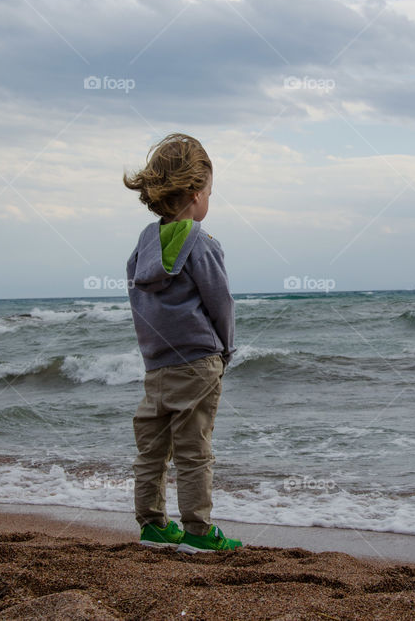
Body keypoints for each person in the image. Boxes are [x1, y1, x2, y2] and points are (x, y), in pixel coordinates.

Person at [124, 133, 241, 553]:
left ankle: (153, 525)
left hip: (156, 364)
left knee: (152, 448)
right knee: (194, 448)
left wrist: (150, 353)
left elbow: (139, 301)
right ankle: (197, 531)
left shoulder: (143, 244)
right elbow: (220, 302)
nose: (209, 200)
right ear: (195, 194)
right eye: (210, 192)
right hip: (197, 361)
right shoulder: (202, 244)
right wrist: (226, 349)